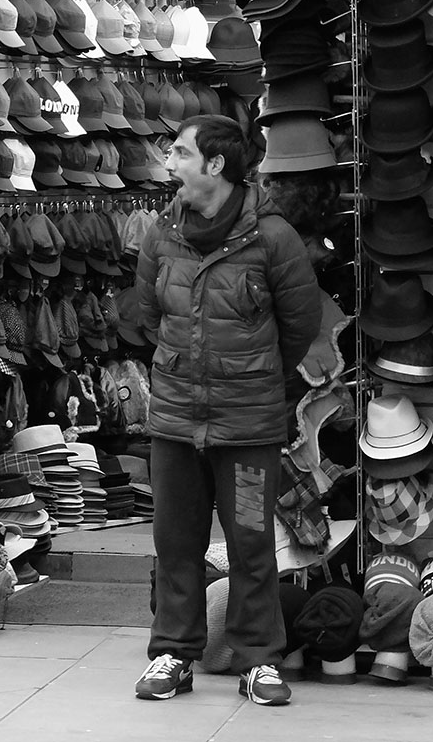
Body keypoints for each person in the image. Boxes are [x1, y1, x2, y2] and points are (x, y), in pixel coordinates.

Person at [133, 115, 322, 706]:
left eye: (181, 153)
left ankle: (258, 659)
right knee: (175, 541)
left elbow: (299, 327)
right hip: (173, 420)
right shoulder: (162, 232)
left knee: (249, 543)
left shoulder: (273, 238)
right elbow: (146, 316)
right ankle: (173, 652)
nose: (170, 163)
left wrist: (252, 376)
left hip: (246, 426)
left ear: (215, 166)